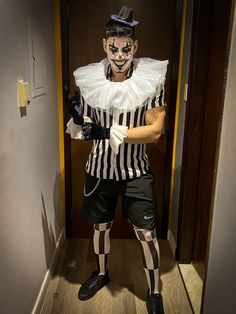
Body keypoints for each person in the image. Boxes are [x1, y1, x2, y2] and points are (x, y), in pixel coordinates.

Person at [66, 5, 168, 314]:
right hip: (99, 169)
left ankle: (153, 291)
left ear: (135, 46)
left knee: (147, 234)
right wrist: (78, 121)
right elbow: (83, 131)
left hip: (136, 169)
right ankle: (100, 273)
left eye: (126, 47)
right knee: (100, 227)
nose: (120, 54)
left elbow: (155, 132)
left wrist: (109, 130)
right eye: (113, 47)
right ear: (104, 46)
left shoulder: (150, 81)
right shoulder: (90, 80)